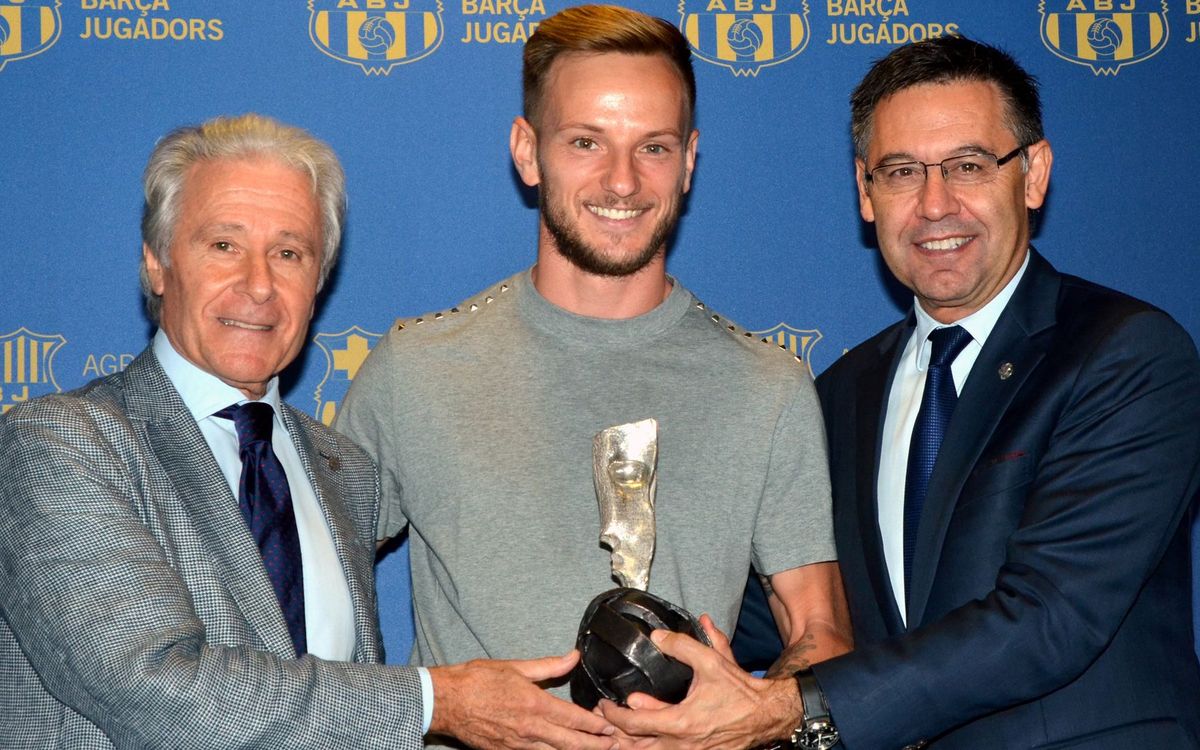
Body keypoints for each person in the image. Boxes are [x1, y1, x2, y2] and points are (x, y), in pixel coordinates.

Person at [601, 35, 1200, 749]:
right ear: (866, 192)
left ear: (1033, 174)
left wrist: (792, 707)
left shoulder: (1125, 355)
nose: (935, 205)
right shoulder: (840, 394)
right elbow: (775, 601)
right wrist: (621, 645)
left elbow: (1049, 618)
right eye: (902, 172)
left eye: (969, 166)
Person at [0, 113, 615, 750]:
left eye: (289, 254)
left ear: (318, 283)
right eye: (224, 246)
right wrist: (437, 701)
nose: (259, 285)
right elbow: (156, 691)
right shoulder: (59, 445)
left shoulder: (344, 470)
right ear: (157, 264)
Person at [335, 5, 852, 747]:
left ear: (690, 160)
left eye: (654, 147)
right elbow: (292, 601)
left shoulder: (767, 387)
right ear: (528, 152)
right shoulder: (414, 371)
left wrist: (748, 716)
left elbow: (821, 632)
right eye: (586, 142)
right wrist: (436, 703)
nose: (622, 180)